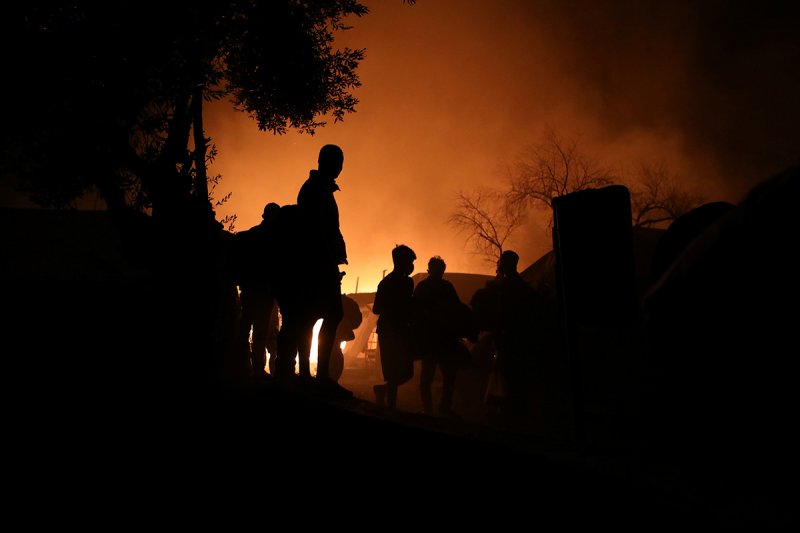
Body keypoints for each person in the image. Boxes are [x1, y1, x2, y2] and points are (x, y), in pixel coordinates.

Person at [290, 144, 352, 398]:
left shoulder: (318, 188)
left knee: (314, 317)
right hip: (317, 263)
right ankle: (318, 377)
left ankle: (311, 375)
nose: (340, 167)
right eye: (337, 162)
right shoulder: (316, 190)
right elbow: (317, 230)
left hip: (318, 262)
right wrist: (327, 259)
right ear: (325, 162)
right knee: (325, 315)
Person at [412, 256, 470, 417]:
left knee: (430, 378)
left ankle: (429, 410)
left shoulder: (424, 287)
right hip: (442, 339)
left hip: (434, 340)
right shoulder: (445, 287)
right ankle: (441, 409)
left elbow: (416, 310)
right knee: (445, 377)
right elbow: (457, 308)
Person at [232, 202, 281, 381]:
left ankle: (242, 366)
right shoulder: (273, 240)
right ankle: (256, 369)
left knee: (246, 328)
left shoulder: (250, 236)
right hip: (263, 292)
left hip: (251, 291)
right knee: (259, 330)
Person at [372, 244, 417, 410]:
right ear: (401, 262)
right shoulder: (392, 283)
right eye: (410, 262)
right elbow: (378, 308)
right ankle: (391, 406)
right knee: (395, 370)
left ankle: (384, 392)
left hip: (397, 329)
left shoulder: (401, 282)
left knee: (404, 371)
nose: (411, 266)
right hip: (392, 330)